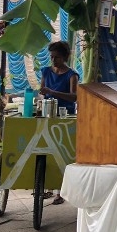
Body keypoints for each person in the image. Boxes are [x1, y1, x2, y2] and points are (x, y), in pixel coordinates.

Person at [39, 40, 79, 204]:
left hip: (65, 115)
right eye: (52, 57)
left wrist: (53, 92)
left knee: (62, 152)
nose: (53, 60)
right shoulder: (46, 71)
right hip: (48, 113)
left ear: (65, 57)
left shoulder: (72, 75)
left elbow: (74, 96)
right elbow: (42, 91)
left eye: (57, 57)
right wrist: (42, 96)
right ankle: (46, 186)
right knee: (45, 149)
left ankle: (61, 191)